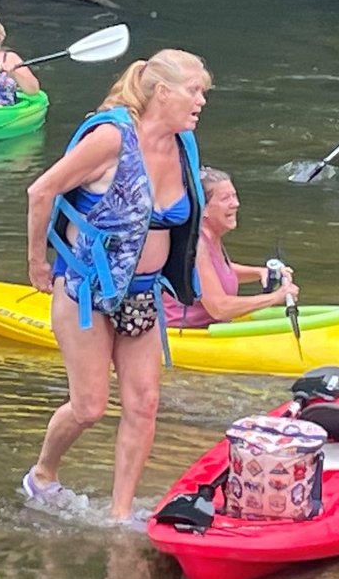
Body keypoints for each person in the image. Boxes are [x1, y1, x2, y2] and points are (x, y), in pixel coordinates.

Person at [21, 49, 211, 522]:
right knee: (88, 407)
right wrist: (36, 264)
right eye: (194, 90)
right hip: (85, 290)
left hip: (142, 293)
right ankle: (42, 474)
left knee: (144, 403)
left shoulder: (183, 144)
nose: (202, 100)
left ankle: (120, 515)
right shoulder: (111, 137)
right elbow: (40, 191)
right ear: (161, 92)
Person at [164, 167, 296, 328]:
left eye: (234, 196)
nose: (236, 204)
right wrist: (276, 297)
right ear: (203, 208)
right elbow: (220, 308)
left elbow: (217, 273)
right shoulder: (196, 246)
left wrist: (260, 272)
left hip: (212, 331)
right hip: (187, 338)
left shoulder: (210, 236)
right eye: (225, 198)